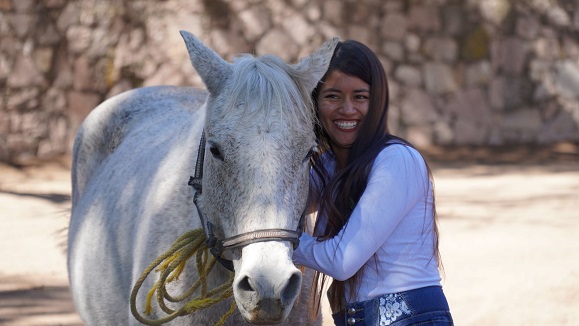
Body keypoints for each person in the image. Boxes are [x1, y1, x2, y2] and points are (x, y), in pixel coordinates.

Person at [292, 40, 453, 326]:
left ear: (377, 100)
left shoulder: (397, 161)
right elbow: (287, 198)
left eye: (360, 97)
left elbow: (340, 261)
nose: (347, 109)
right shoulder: (330, 166)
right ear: (315, 102)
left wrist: (274, 239)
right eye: (332, 96)